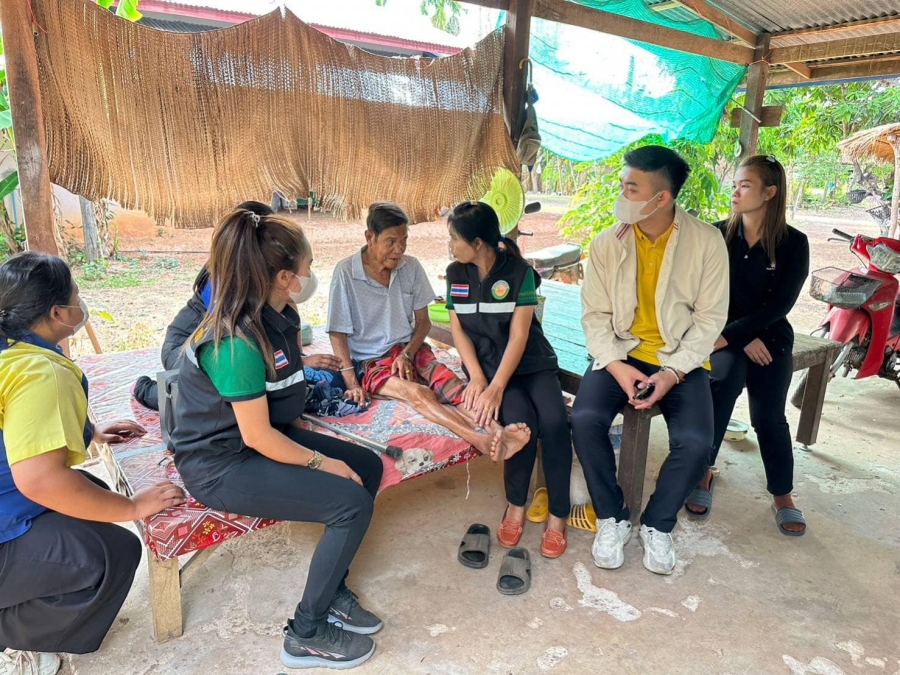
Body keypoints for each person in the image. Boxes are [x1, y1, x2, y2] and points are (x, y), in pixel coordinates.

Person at [170, 208, 384, 670]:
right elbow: (258, 435)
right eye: (307, 269)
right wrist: (323, 464)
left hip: (260, 439)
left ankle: (331, 590)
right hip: (222, 464)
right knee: (351, 503)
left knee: (367, 467)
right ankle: (305, 633)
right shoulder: (234, 341)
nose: (311, 277)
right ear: (284, 276)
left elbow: (280, 389)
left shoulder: (278, 313)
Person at [0, 252, 186, 675]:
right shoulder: (40, 371)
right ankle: (21, 635)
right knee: (113, 552)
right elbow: (40, 480)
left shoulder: (11, 349)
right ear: (56, 312)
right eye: (77, 297)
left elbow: (15, 421)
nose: (80, 305)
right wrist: (134, 508)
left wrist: (89, 433)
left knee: (93, 496)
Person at [571, 145, 729, 575]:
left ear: (662, 198)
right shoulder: (607, 242)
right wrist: (617, 366)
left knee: (696, 443)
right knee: (584, 419)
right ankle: (612, 517)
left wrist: (673, 372)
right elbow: (595, 316)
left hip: (680, 358)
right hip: (620, 351)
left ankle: (657, 524)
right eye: (623, 184)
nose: (621, 193)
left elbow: (710, 319)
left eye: (631, 187)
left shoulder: (707, 241)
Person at [327, 201, 531, 462]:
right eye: (390, 242)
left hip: (410, 350)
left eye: (404, 241)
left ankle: (499, 433)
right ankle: (479, 438)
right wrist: (352, 383)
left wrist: (408, 353)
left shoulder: (410, 267)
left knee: (453, 388)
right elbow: (337, 333)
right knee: (420, 393)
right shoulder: (346, 273)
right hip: (371, 360)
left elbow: (423, 322)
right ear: (370, 237)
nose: (398, 250)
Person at [685, 155, 810, 536]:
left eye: (745, 185)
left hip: (769, 338)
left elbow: (781, 304)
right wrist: (738, 335)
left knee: (769, 416)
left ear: (770, 193)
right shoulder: (716, 235)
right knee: (719, 390)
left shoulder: (793, 244)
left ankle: (782, 495)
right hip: (723, 333)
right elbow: (700, 295)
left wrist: (743, 334)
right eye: (735, 184)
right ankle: (703, 472)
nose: (735, 192)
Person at [445, 201, 572, 558]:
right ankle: (516, 504)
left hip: (530, 364)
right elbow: (459, 331)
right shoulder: (456, 273)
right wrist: (476, 379)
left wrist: (496, 385)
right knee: (521, 425)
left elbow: (518, 336)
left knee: (555, 421)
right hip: (489, 368)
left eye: (455, 239)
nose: (451, 246)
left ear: (479, 242)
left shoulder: (519, 273)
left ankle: (557, 515)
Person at [132, 201, 345, 412]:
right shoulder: (222, 282)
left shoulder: (262, 280)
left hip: (217, 346)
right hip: (182, 348)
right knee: (215, 396)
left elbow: (285, 318)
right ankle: (146, 389)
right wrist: (300, 364)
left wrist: (297, 361)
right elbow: (230, 342)